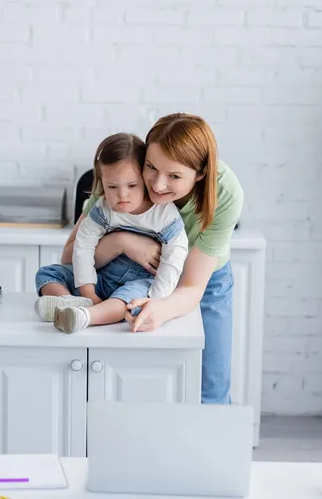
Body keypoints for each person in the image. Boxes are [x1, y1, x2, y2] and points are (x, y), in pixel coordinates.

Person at [62, 113, 243, 404]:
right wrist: (123, 243)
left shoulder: (225, 192)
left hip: (203, 280)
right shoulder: (124, 176)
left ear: (200, 174)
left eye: (174, 176)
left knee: (209, 388)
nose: (157, 185)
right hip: (135, 277)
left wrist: (160, 307)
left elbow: (193, 287)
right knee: (148, 385)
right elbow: (70, 255)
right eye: (151, 167)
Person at [34, 133, 188, 334]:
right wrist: (88, 291)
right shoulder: (103, 208)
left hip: (138, 281)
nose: (122, 195)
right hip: (102, 276)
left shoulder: (164, 215)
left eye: (132, 186)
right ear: (102, 183)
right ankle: (69, 303)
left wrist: (156, 300)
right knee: (48, 274)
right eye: (112, 187)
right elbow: (83, 246)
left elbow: (173, 260)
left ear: (144, 177)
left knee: (127, 301)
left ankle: (85, 316)